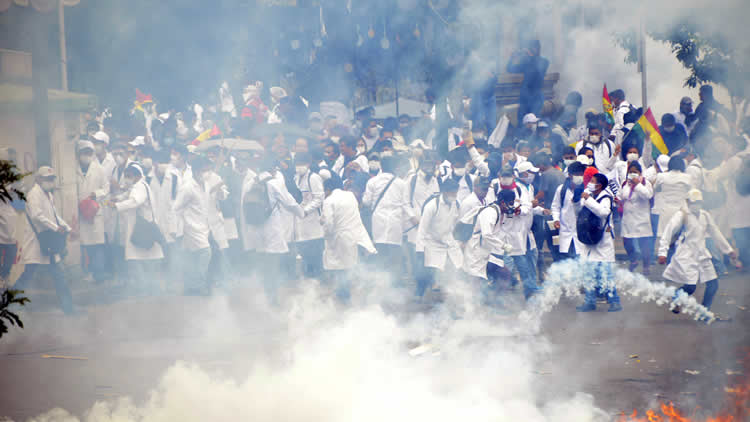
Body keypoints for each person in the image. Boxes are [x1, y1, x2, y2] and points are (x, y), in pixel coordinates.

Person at [658, 189, 736, 315]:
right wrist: (662, 252)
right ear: (688, 202)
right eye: (694, 202)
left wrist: (728, 250)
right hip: (686, 255)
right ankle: (676, 298)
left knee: (713, 285)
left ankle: (704, 312)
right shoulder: (681, 215)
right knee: (690, 287)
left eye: (699, 202)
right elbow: (668, 232)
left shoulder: (705, 215)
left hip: (702, 254)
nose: (696, 205)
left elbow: (715, 233)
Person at [15, 167, 74, 314]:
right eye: (47, 179)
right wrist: (56, 228)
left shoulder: (48, 194)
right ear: (38, 179)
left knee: (59, 275)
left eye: (51, 179)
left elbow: (54, 215)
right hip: (37, 242)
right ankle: (8, 304)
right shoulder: (34, 194)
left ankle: (69, 310)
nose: (50, 182)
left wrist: (67, 228)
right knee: (27, 276)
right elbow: (37, 215)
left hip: (48, 242)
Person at [111, 163, 165, 295]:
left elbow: (135, 201)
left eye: (129, 176)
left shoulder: (139, 187)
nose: (127, 179)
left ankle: (144, 288)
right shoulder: (139, 185)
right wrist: (116, 199)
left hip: (141, 229)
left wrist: (117, 206)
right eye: (126, 176)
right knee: (147, 258)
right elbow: (127, 195)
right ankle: (150, 287)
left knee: (136, 259)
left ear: (137, 176)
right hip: (144, 227)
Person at [321, 177, 377, 302]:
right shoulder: (350, 196)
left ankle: (343, 294)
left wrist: (326, 236)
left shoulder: (329, 201)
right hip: (353, 234)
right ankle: (349, 292)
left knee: (339, 267)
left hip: (339, 237)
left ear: (328, 189)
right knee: (349, 265)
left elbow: (329, 223)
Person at [362, 156, 417, 278]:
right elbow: (405, 204)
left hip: (378, 220)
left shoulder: (372, 182)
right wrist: (413, 218)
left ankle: (381, 278)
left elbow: (366, 202)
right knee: (395, 250)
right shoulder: (401, 183)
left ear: (381, 166)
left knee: (380, 249)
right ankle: (394, 279)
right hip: (395, 220)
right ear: (395, 167)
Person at [576, 173, 622, 312]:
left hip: (602, 241)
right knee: (589, 271)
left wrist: (588, 200)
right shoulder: (589, 195)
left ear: (600, 185)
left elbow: (603, 213)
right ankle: (590, 301)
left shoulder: (605, 197)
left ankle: (614, 302)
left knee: (606, 273)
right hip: (590, 238)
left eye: (593, 181)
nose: (590, 182)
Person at [415, 178, 463, 299]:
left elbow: (457, 224)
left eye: (455, 192)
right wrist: (420, 250)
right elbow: (422, 230)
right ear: (444, 191)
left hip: (448, 241)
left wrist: (458, 241)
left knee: (457, 266)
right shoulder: (432, 206)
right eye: (451, 192)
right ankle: (419, 295)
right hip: (432, 243)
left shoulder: (456, 204)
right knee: (426, 272)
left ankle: (452, 295)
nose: (454, 195)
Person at [172, 157, 212, 296]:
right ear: (195, 171)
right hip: (191, 227)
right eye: (204, 170)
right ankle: (199, 285)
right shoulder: (188, 187)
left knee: (192, 256)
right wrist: (178, 226)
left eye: (208, 170)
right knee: (205, 253)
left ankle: (190, 286)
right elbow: (176, 207)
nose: (207, 173)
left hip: (203, 226)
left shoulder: (205, 184)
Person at [76, 140, 110, 283]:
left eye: (89, 153)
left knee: (97, 245)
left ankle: (99, 274)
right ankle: (90, 272)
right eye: (84, 153)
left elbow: (106, 188)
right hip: (81, 212)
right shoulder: (72, 169)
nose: (87, 155)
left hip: (95, 211)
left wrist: (96, 194)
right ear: (78, 154)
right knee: (85, 244)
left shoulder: (99, 169)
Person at [653, 156, 693, 261]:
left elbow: (655, 189)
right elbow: (691, 193)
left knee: (667, 236)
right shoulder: (687, 177)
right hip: (681, 210)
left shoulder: (661, 176)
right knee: (680, 238)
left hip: (666, 210)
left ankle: (669, 261)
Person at [618, 162, 654, 274]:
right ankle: (633, 260)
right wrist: (617, 200)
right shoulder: (625, 184)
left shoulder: (645, 183)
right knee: (626, 241)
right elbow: (621, 195)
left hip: (641, 218)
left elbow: (648, 195)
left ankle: (646, 266)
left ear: (640, 173)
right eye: (630, 172)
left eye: (635, 172)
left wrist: (637, 185)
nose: (632, 174)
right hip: (628, 218)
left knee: (644, 243)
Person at [293, 152, 325, 278]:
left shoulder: (313, 177)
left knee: (315, 252)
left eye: (302, 164)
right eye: (297, 164)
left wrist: (306, 210)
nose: (299, 166)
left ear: (308, 164)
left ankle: (318, 277)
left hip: (312, 220)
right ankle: (308, 277)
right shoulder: (295, 178)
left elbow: (319, 198)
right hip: (300, 221)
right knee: (304, 251)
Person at [506, 39, 549, 122]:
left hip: (536, 97)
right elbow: (510, 69)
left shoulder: (544, 61)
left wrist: (530, 56)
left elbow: (538, 69)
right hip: (524, 96)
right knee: (522, 121)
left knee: (535, 120)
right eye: (532, 48)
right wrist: (512, 58)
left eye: (535, 48)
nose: (534, 50)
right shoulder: (526, 62)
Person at [551, 162, 586, 260]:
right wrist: (556, 219)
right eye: (577, 174)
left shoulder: (587, 190)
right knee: (566, 261)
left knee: (581, 260)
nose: (579, 177)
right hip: (565, 230)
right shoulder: (561, 189)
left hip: (580, 231)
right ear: (570, 175)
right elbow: (555, 206)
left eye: (581, 174)